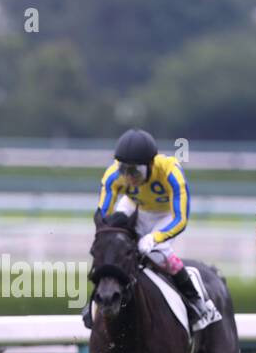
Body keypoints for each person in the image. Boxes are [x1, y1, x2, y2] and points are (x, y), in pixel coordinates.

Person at [88, 128, 218, 329]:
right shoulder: (113, 175)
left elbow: (181, 218)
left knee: (158, 253)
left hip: (166, 215)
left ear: (150, 164)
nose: (129, 177)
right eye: (125, 170)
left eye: (135, 171)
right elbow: (103, 216)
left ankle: (197, 301)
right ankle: (95, 300)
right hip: (133, 206)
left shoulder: (170, 172)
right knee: (112, 247)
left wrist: (154, 238)